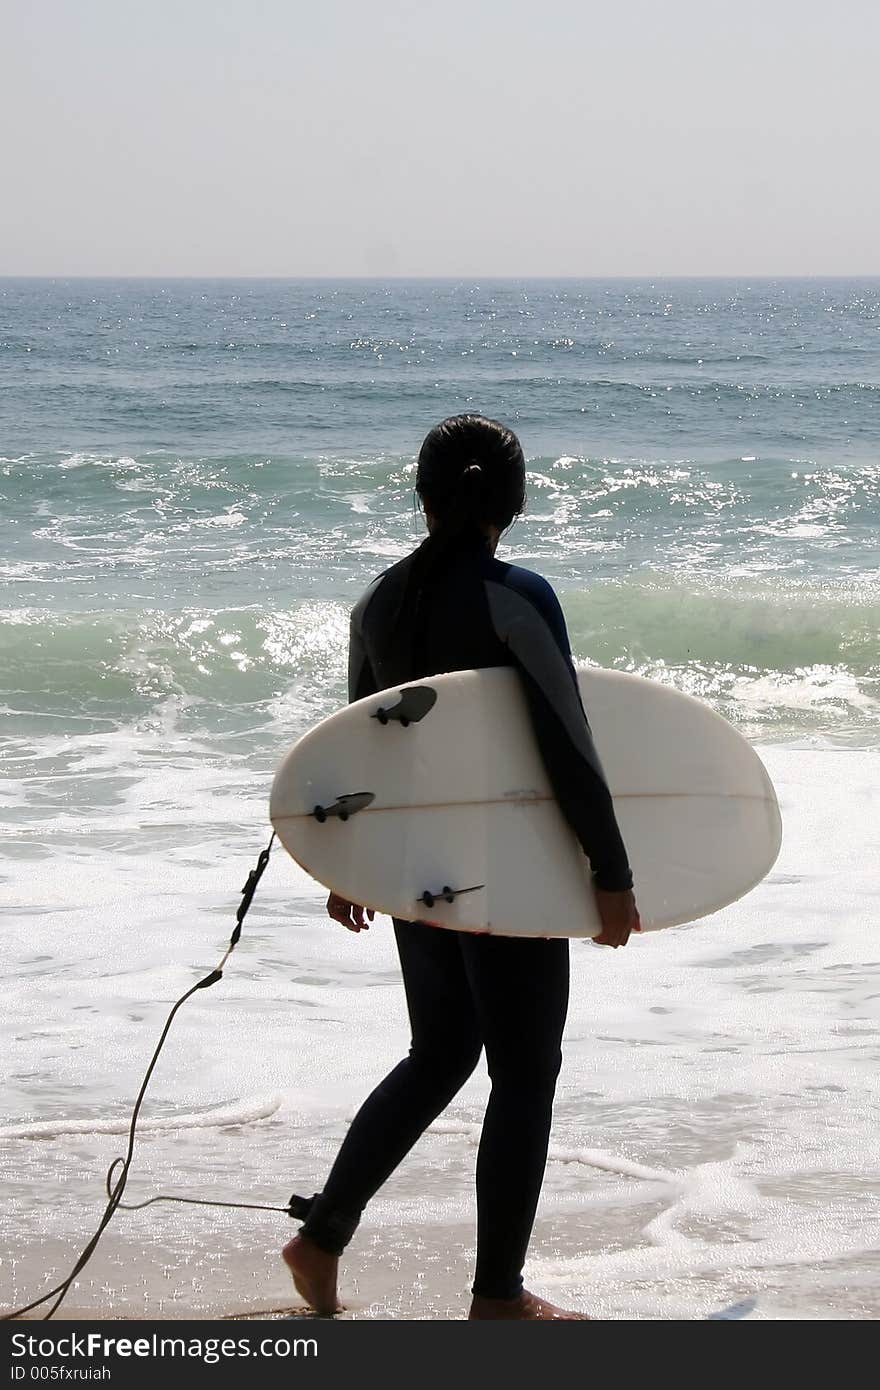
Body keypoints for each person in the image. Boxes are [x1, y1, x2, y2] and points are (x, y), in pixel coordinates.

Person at [282, 414, 640, 1320]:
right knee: (523, 1075)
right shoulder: (517, 596)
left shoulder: (380, 603)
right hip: (509, 868)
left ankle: (320, 1236)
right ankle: (498, 1296)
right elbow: (568, 742)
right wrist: (611, 870)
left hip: (419, 864)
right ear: (511, 503)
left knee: (441, 1051)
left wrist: (347, 866)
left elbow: (360, 753)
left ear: (425, 496)